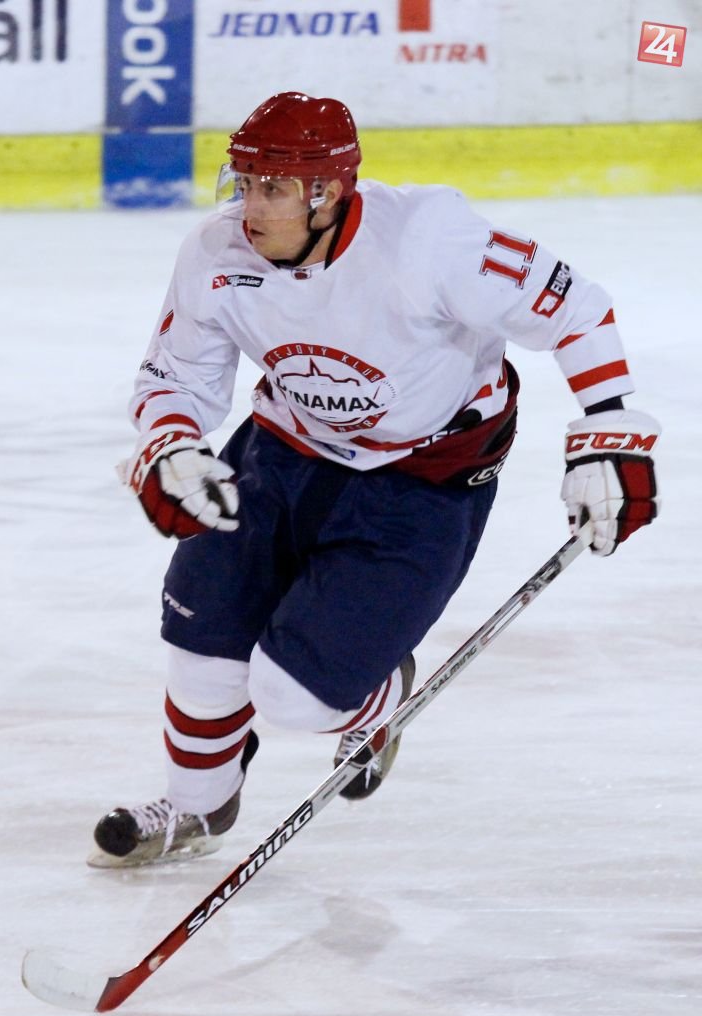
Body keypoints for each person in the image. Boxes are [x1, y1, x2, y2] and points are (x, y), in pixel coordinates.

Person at [88, 92, 660, 868]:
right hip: (281, 452)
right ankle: (195, 806)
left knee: (293, 695)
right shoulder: (216, 254)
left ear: (328, 191)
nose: (250, 207)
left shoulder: (429, 240)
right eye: (244, 182)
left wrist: (609, 429)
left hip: (421, 479)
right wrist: (171, 441)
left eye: (273, 188)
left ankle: (378, 698)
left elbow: (575, 308)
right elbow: (176, 377)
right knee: (202, 644)